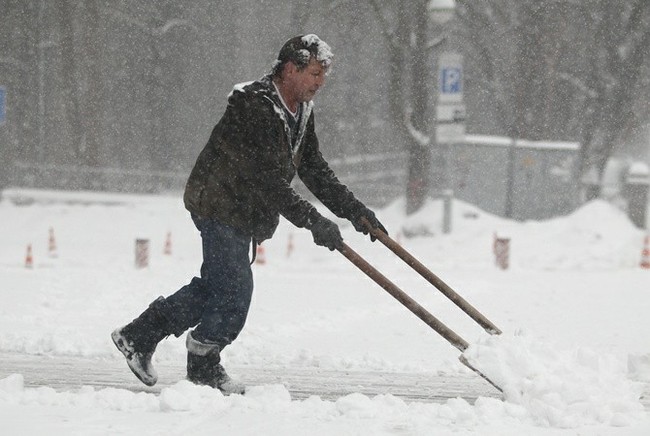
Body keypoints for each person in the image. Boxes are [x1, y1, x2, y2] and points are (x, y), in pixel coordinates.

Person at [111, 34, 387, 395]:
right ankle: (203, 362)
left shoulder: (301, 110)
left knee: (217, 287)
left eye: (324, 76)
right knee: (233, 293)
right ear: (291, 68)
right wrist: (313, 221)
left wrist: (354, 211)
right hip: (219, 202)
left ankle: (139, 335)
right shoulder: (254, 106)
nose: (320, 83)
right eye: (315, 74)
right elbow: (266, 180)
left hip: (245, 210)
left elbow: (314, 168)